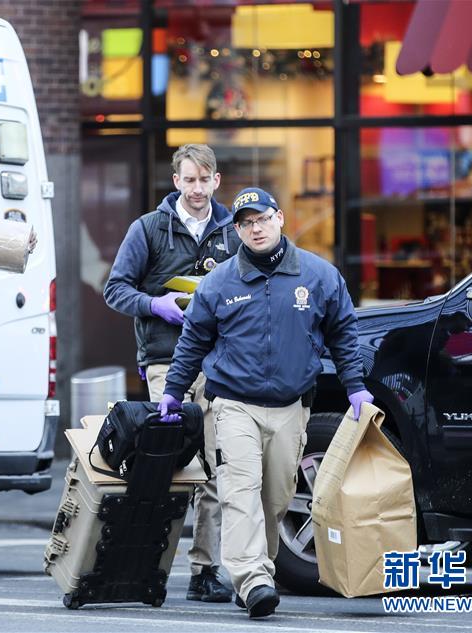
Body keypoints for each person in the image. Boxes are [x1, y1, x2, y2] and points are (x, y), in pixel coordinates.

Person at [158, 186, 373, 618]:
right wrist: (173, 391)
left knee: (275, 499)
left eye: (261, 219)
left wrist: (356, 387)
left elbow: (344, 334)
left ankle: (259, 569)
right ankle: (253, 578)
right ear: (237, 232)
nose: (254, 229)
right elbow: (192, 341)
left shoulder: (319, 276)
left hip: (292, 406)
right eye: (245, 224)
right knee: (240, 491)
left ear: (280, 219)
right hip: (234, 404)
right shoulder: (219, 282)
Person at [104, 143, 241, 602]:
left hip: (221, 364)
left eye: (205, 180)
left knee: (217, 469)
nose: (197, 188)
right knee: (167, 467)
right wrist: (155, 305)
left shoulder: (233, 230)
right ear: (176, 181)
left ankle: (204, 571)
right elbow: (115, 290)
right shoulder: (147, 229)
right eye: (189, 180)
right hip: (166, 361)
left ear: (216, 181)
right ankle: (146, 567)